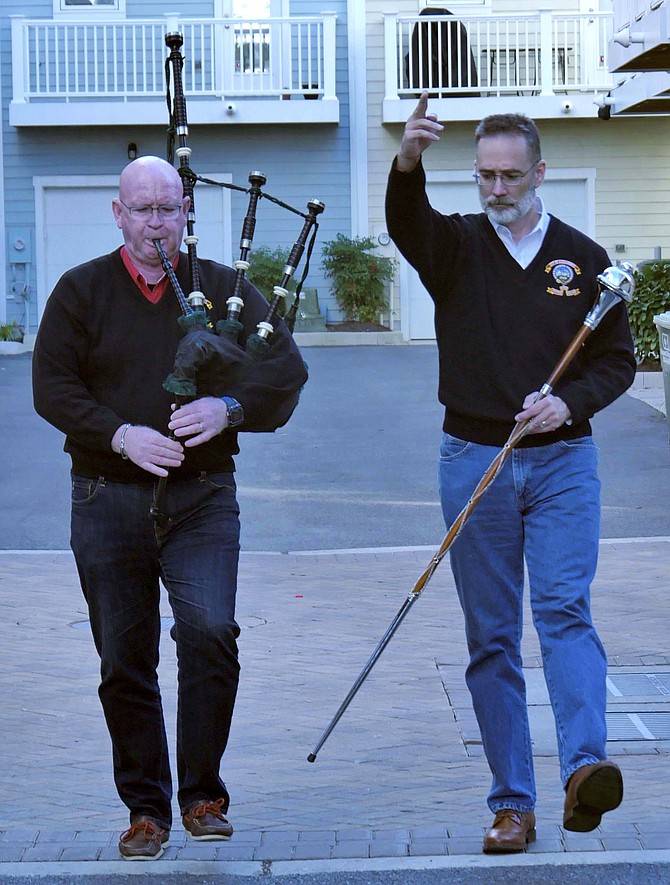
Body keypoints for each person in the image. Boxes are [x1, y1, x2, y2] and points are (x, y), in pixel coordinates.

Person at [32, 156, 308, 860]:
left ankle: (202, 794)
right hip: (105, 497)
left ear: (186, 212)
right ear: (118, 214)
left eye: (169, 208)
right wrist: (119, 434)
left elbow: (286, 371)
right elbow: (51, 386)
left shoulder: (223, 289)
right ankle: (146, 808)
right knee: (125, 658)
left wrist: (230, 407)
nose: (157, 223)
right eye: (143, 209)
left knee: (211, 631)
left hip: (202, 498)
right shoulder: (80, 291)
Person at [385, 95, 635, 853]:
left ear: (539, 173)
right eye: (486, 176)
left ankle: (585, 768)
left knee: (564, 610)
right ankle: (512, 803)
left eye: (510, 176)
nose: (497, 189)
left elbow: (617, 361)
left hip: (563, 461)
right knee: (492, 637)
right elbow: (406, 221)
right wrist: (406, 162)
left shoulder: (585, 259)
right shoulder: (454, 245)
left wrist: (568, 405)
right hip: (475, 459)